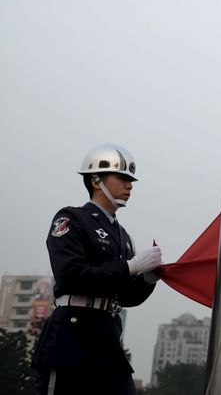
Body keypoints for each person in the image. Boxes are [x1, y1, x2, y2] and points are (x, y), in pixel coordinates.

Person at [32, 144, 163, 395]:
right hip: (72, 336)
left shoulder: (123, 236)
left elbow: (125, 297)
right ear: (96, 181)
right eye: (122, 178)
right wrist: (131, 266)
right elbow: (71, 275)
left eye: (131, 180)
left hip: (108, 338)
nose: (130, 186)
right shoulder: (71, 219)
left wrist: (147, 278)